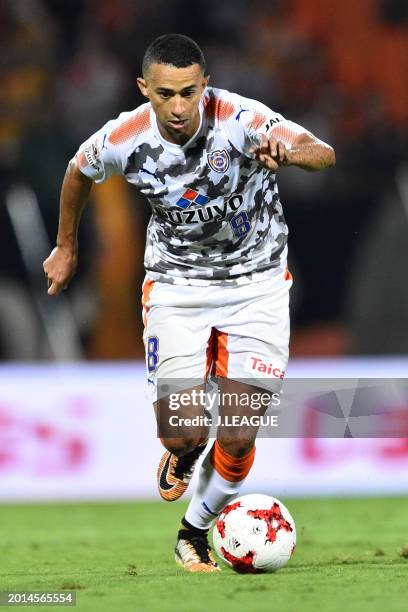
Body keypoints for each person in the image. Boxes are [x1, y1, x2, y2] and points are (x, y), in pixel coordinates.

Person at [43, 33, 335, 572]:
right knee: (185, 432)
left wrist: (289, 153)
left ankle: (194, 532)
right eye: (165, 94)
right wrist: (66, 246)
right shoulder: (123, 137)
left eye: (189, 92)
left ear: (206, 84)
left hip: (259, 285)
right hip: (177, 289)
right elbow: (77, 172)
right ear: (143, 89)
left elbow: (323, 152)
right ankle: (182, 452)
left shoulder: (242, 118)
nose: (179, 108)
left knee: (241, 433)